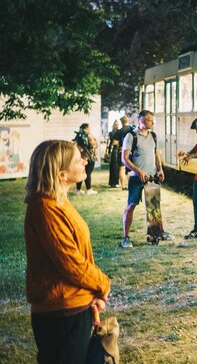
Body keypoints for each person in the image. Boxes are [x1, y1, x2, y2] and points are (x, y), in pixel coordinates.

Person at [24, 140, 111, 363]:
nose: (85, 161)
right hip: (62, 313)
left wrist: (93, 295)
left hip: (74, 305)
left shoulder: (58, 202)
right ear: (61, 173)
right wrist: (103, 284)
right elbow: (71, 264)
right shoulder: (45, 208)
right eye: (77, 159)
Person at [120, 110, 170, 248]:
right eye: (150, 120)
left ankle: (154, 235)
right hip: (137, 178)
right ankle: (125, 237)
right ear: (141, 121)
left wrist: (160, 169)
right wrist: (138, 171)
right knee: (131, 206)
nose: (153, 123)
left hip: (152, 176)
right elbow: (124, 159)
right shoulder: (131, 136)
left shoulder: (153, 136)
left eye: (153, 120)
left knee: (154, 206)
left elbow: (156, 155)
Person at [73, 123, 98, 195]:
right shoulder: (88, 136)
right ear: (86, 128)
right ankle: (89, 189)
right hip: (89, 157)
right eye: (89, 127)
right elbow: (93, 145)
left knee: (80, 172)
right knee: (88, 173)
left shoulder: (78, 136)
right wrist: (95, 142)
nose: (90, 129)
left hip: (81, 157)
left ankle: (78, 189)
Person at [111, 116, 133, 190]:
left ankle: (123, 186)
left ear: (121, 122)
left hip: (122, 152)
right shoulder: (132, 129)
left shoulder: (119, 131)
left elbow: (114, 143)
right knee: (130, 169)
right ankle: (131, 185)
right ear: (128, 121)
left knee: (122, 169)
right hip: (131, 152)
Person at [107, 120, 122, 187]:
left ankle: (116, 182)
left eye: (117, 124)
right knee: (113, 166)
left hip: (118, 149)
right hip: (113, 150)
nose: (117, 126)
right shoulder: (111, 133)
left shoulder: (119, 132)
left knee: (117, 166)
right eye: (115, 124)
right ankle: (112, 182)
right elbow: (112, 141)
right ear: (113, 125)